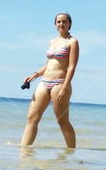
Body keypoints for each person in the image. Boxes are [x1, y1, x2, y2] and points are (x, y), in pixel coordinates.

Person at [21, 12, 78, 148]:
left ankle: (71, 152)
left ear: (69, 24)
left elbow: (71, 67)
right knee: (31, 118)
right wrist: (36, 74)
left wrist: (65, 87)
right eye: (59, 21)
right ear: (55, 24)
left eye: (64, 21)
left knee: (62, 121)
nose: (61, 24)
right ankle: (24, 151)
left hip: (60, 83)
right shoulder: (52, 42)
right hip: (44, 82)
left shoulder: (72, 42)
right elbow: (49, 64)